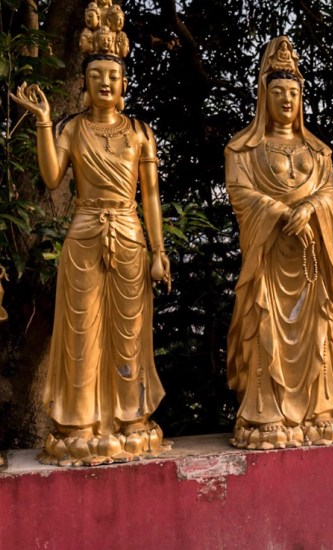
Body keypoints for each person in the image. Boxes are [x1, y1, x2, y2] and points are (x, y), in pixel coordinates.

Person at [11, 11, 170, 465]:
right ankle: (79, 421)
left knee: (130, 331)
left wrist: (159, 251)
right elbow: (51, 175)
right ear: (84, 82)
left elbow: (152, 198)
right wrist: (44, 121)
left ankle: (131, 417)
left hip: (129, 233)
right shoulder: (72, 128)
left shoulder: (140, 133)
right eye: (96, 75)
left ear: (124, 84)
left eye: (113, 76)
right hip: (83, 235)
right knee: (81, 332)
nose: (105, 82)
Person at [224, 36, 333, 449]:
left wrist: (312, 207)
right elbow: (239, 192)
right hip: (268, 257)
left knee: (317, 329)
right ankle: (265, 414)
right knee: (264, 329)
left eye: (294, 92)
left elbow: (331, 193)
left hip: (310, 258)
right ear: (263, 95)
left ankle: (322, 407)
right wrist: (281, 210)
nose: (286, 99)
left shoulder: (318, 151)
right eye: (278, 91)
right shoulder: (243, 148)